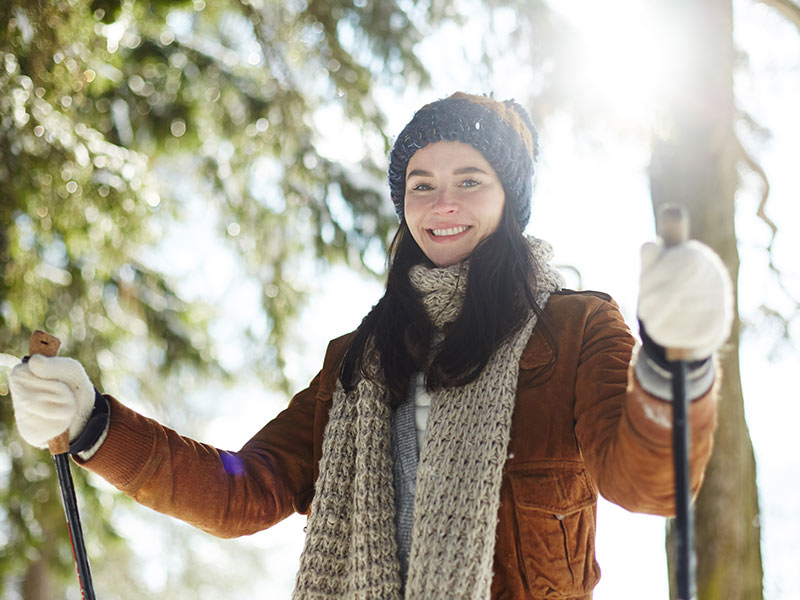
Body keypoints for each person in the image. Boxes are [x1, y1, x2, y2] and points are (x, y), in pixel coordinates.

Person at [8, 92, 733, 600]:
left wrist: (680, 361)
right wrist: (94, 426)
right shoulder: (355, 363)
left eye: (469, 181)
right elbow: (242, 491)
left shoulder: (573, 331)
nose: (442, 204)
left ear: (509, 200)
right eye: (422, 186)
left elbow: (651, 482)